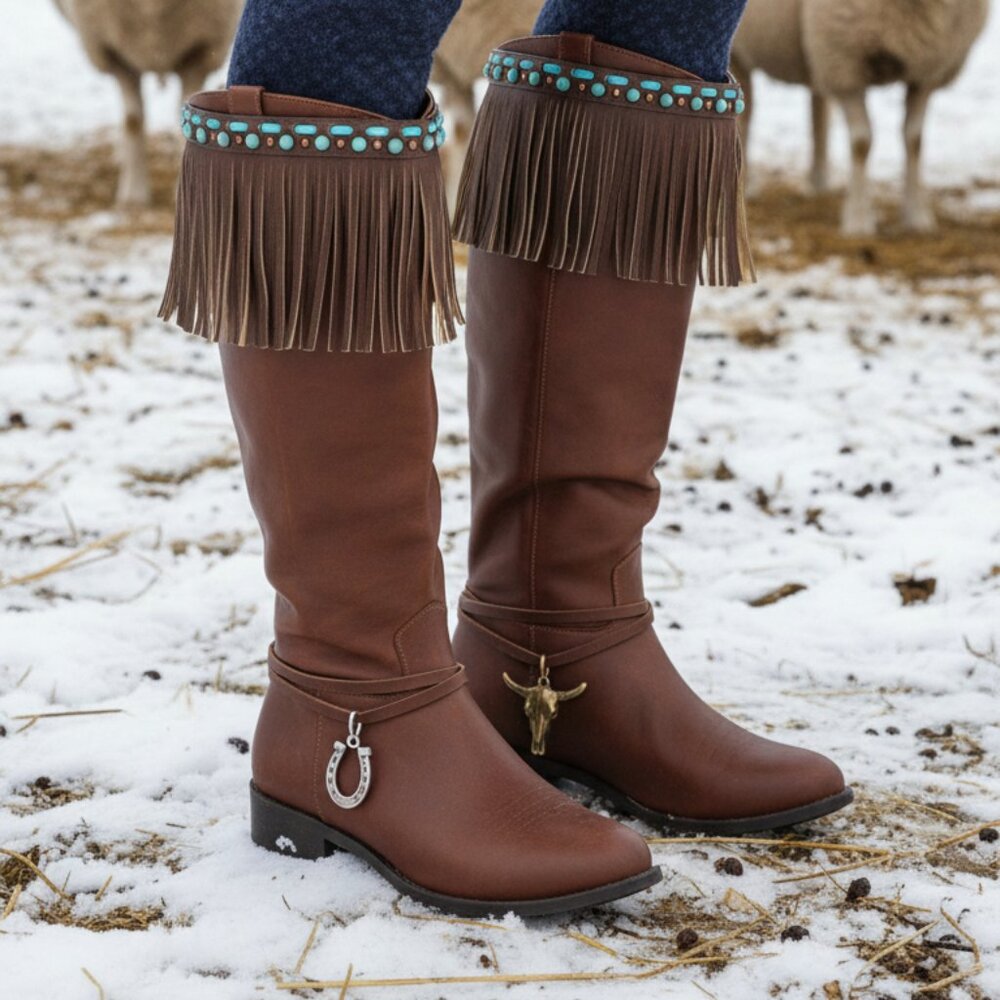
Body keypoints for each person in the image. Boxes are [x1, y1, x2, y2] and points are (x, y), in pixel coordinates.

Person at [159, 0, 852, 917]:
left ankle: (563, 640)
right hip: (357, 720)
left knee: (661, 16)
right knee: (353, 26)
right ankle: (353, 704)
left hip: (571, 656)